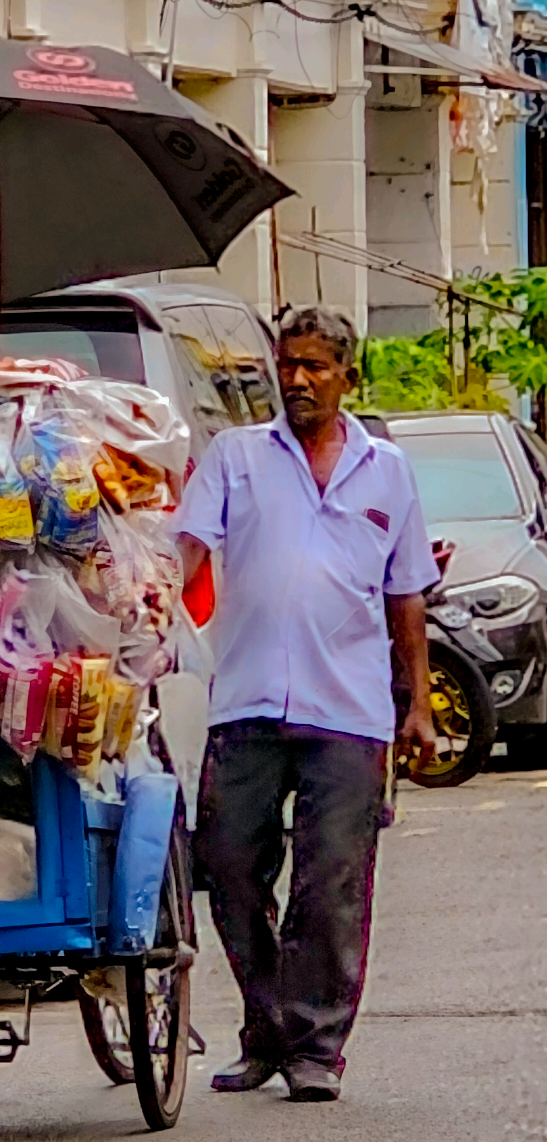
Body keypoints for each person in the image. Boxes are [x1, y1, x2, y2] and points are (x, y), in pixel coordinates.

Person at [174, 305, 438, 1104]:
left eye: (315, 366)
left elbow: (405, 597)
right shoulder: (235, 457)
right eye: (287, 364)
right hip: (246, 699)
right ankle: (266, 1028)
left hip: (348, 712)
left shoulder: (384, 470)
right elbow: (184, 551)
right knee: (226, 867)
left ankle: (314, 1046)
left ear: (345, 377)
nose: (296, 380)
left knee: (331, 884)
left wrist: (416, 705)